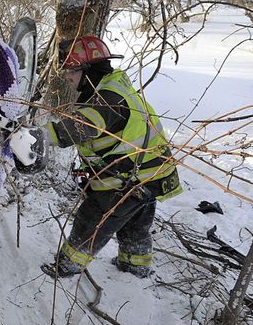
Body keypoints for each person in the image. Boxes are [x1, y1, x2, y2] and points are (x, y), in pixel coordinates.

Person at [36, 35, 182, 279]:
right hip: (153, 175)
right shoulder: (115, 87)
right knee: (136, 223)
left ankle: (68, 266)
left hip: (128, 180)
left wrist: (38, 137)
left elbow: (80, 128)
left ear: (88, 69)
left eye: (71, 70)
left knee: (91, 220)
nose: (68, 77)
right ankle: (136, 264)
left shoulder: (106, 99)